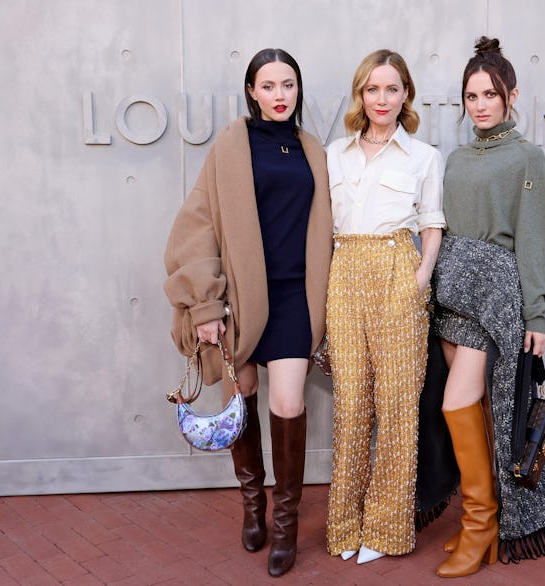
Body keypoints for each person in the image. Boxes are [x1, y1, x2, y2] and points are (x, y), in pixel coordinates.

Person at [163, 48, 332, 577]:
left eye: (288, 84)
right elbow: (198, 225)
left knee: (286, 403)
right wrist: (207, 304)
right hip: (238, 299)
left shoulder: (312, 149)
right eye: (268, 85)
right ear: (252, 92)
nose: (279, 95)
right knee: (244, 397)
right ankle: (252, 504)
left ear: (298, 90)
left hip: (294, 299)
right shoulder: (231, 146)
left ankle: (284, 524)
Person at [431, 37, 545, 578]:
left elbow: (536, 238)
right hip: (451, 298)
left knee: (457, 403)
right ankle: (482, 523)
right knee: (478, 413)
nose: (481, 104)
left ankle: (481, 522)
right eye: (472, 95)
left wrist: (536, 315)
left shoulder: (527, 157)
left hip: (494, 300)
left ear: (512, 96)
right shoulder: (460, 157)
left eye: (491, 94)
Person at [324, 49, 445, 564]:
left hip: (399, 270)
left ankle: (388, 528)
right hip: (346, 272)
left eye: (391, 89)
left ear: (405, 96)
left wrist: (420, 279)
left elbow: (432, 224)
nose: (382, 98)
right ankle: (345, 524)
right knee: (352, 405)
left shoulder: (424, 156)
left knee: (397, 407)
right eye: (372, 89)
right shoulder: (334, 153)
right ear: (361, 94)